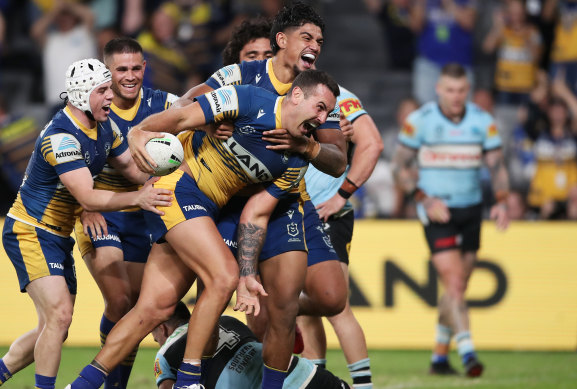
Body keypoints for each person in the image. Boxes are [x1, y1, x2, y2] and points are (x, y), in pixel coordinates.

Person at [66, 69, 340, 389]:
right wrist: (139, 131)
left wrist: (249, 272)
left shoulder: (295, 160)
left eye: (327, 113)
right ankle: (189, 381)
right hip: (180, 188)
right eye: (319, 107)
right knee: (223, 276)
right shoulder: (248, 99)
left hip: (204, 208)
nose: (321, 119)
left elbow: (255, 214)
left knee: (155, 308)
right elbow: (183, 116)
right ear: (296, 96)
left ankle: (81, 385)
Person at [176, 3, 351, 385]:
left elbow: (338, 161)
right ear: (282, 41)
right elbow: (185, 104)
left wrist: (306, 148)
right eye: (307, 37)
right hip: (228, 198)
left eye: (320, 40)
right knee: (208, 290)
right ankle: (184, 361)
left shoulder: (319, 93)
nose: (315, 46)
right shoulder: (242, 75)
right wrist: (208, 124)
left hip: (284, 201)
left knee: (290, 308)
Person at [0, 58, 171, 389]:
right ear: (81, 96)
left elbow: (134, 171)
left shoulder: (106, 126)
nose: (111, 96)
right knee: (60, 316)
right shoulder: (61, 138)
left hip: (58, 236)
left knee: (54, 326)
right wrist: (137, 198)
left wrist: (170, 168)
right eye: (103, 90)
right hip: (29, 230)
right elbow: (89, 197)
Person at [73, 37, 179, 389]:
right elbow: (60, 166)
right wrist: (82, 207)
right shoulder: (90, 110)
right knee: (119, 300)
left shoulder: (164, 104)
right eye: (121, 69)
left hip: (147, 212)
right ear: (108, 73)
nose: (130, 76)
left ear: (145, 67)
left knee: (136, 307)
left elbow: (200, 117)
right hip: (101, 213)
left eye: (136, 68)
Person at [392, 63, 510, 377]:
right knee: (455, 282)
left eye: (461, 91)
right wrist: (423, 198)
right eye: (450, 90)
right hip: (436, 212)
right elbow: (399, 168)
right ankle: (469, 353)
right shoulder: (420, 122)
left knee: (458, 288)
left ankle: (439, 359)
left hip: (471, 211)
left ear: (467, 91)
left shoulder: (483, 122)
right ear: (438, 89)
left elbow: (497, 166)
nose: (455, 97)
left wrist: (500, 201)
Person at [296, 86, 383, 389]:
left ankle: (363, 386)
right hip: (292, 212)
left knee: (335, 305)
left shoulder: (337, 98)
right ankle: (317, 381)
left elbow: (372, 143)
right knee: (305, 308)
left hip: (326, 213)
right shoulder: (277, 93)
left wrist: (341, 195)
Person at [152, 302, 351, 389]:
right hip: (304, 374)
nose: (157, 342)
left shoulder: (164, 354)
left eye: (155, 338)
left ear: (162, 329)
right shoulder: (226, 319)